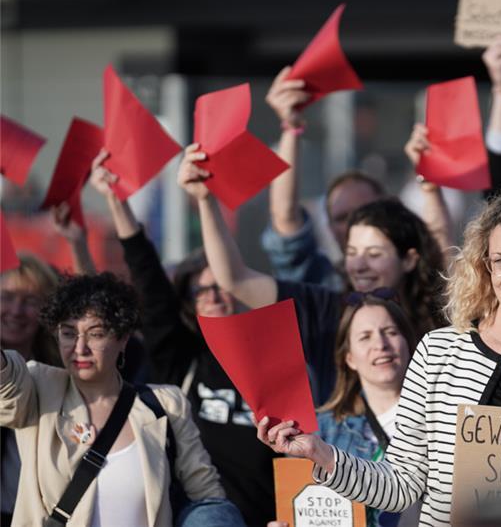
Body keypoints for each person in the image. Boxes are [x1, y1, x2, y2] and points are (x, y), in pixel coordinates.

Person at [256, 187, 501, 526]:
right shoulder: (439, 352)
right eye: (500, 261)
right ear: (484, 267)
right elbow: (400, 486)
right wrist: (320, 453)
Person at [87, 149, 279, 526]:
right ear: (188, 306)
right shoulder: (180, 359)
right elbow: (150, 281)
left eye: (222, 286)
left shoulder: (271, 361)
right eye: (201, 291)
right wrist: (117, 201)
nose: (215, 296)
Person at [177, 142, 447, 368]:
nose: (360, 265)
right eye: (352, 252)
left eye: (375, 254)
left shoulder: (442, 320)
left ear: (410, 259)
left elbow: (440, 242)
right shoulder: (326, 309)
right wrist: (205, 200)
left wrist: (431, 186)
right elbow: (235, 279)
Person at [0, 272, 229, 527]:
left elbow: (207, 497)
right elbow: (6, 387)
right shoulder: (39, 385)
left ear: (123, 338)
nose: (80, 347)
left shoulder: (165, 405)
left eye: (96, 333)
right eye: (68, 333)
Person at [260, 66, 451, 289]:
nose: (354, 224)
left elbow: (439, 253)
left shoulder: (414, 284)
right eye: (341, 217)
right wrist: (291, 126)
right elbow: (285, 219)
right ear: (329, 227)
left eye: (365, 212)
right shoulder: (322, 287)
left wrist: (429, 185)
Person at [316, 294, 417, 526]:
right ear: (349, 358)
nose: (380, 345)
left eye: (390, 332)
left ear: (409, 344)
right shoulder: (321, 432)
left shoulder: (445, 416)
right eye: (365, 337)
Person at [1, 253, 60, 526]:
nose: (16, 310)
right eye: (7, 297)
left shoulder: (65, 372)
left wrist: (77, 243)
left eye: (30, 301)